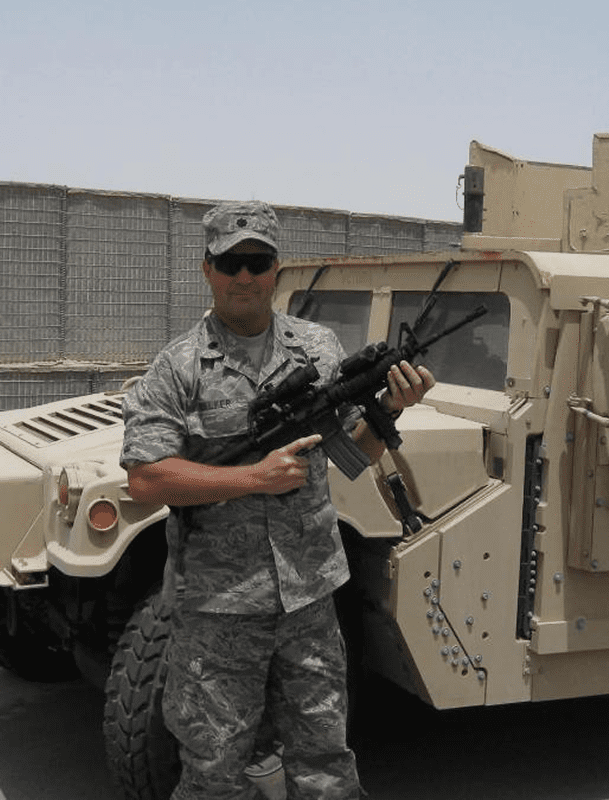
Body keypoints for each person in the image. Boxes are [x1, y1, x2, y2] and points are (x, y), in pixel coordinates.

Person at [120, 200, 434, 799]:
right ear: (207, 269)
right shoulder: (178, 367)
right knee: (214, 773)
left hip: (308, 598)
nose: (244, 276)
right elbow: (147, 479)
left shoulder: (317, 349)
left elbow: (351, 456)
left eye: (258, 262)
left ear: (276, 271)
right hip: (218, 607)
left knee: (326, 763)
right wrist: (252, 479)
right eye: (230, 263)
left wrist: (389, 409)